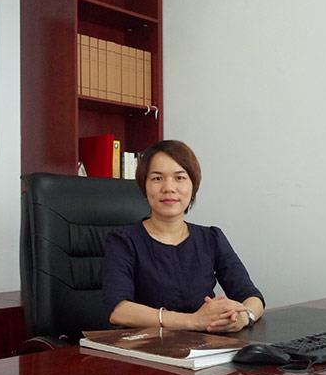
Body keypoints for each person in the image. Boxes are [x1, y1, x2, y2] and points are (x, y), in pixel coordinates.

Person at [102, 140, 264, 333]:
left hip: (205, 345)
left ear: (193, 185)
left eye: (179, 178)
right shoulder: (123, 241)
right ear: (144, 186)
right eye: (157, 178)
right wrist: (193, 321)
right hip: (146, 346)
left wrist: (244, 317)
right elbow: (119, 311)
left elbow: (252, 296)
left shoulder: (211, 238)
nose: (169, 188)